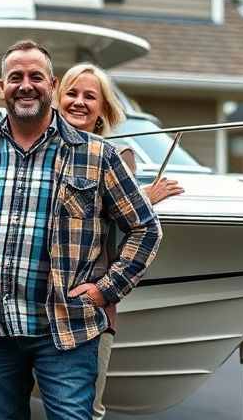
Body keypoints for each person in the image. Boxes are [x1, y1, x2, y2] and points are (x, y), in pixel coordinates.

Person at [0, 40, 162, 420]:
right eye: (16, 77)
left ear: (51, 85)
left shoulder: (98, 155)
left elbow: (145, 228)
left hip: (67, 332)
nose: (26, 85)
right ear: (2, 87)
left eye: (35, 76)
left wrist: (105, 290)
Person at [56, 63, 183, 420]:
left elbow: (138, 225)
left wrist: (140, 200)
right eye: (71, 93)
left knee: (86, 409)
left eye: (89, 96)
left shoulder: (116, 157)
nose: (79, 102)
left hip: (90, 307)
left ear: (103, 109)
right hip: (35, 307)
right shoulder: (36, 153)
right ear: (57, 98)